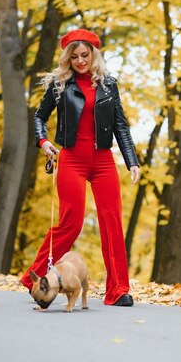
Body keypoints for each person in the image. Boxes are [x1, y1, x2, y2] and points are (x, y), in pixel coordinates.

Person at [20, 28, 140, 306]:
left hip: (102, 160)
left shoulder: (108, 84)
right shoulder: (60, 84)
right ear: (68, 58)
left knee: (112, 222)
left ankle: (118, 290)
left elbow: (120, 125)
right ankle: (32, 279)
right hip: (72, 159)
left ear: (94, 55)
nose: (81, 61)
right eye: (74, 56)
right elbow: (40, 116)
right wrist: (43, 141)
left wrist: (131, 160)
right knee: (70, 224)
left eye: (85, 55)